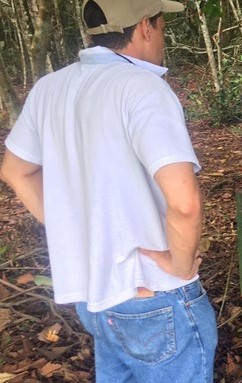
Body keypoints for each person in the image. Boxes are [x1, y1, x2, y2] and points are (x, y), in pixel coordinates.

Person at [0, 1, 217, 382]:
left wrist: (74, 228)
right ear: (145, 27)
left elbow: (15, 171)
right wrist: (181, 266)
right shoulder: (142, 86)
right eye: (162, 27)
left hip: (93, 295)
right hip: (152, 293)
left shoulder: (50, 86)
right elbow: (184, 202)